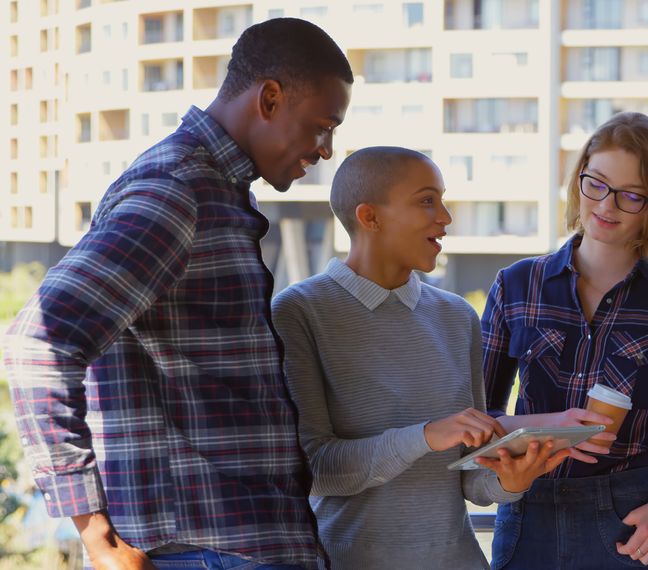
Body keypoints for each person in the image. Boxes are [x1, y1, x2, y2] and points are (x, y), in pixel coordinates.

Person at [2, 18, 353, 570]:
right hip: (205, 550)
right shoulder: (177, 193)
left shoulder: (214, 190)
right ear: (269, 98)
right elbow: (39, 346)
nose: (326, 150)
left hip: (230, 544)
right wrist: (97, 538)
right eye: (321, 127)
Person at [271, 147, 568, 569]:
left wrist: (510, 480)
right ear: (370, 217)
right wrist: (426, 436)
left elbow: (470, 476)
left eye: (442, 200)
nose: (445, 217)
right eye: (427, 200)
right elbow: (314, 470)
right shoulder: (298, 311)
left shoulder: (457, 316)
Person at [482, 112, 648, 569]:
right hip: (526, 514)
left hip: (634, 522)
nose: (606, 206)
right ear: (579, 178)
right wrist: (549, 427)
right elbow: (477, 421)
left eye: (631, 195)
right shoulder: (516, 284)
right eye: (595, 184)